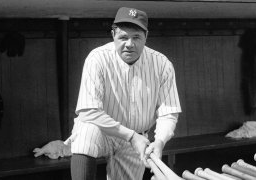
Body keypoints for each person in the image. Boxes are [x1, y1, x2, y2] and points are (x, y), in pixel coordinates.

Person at [34, 7, 181, 180]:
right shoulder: (97, 58)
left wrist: (160, 142)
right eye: (123, 37)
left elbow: (168, 113)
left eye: (136, 37)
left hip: (137, 140)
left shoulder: (162, 64)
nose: (129, 44)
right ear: (113, 35)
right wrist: (131, 136)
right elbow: (88, 111)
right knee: (87, 129)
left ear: (146, 36)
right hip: (104, 133)